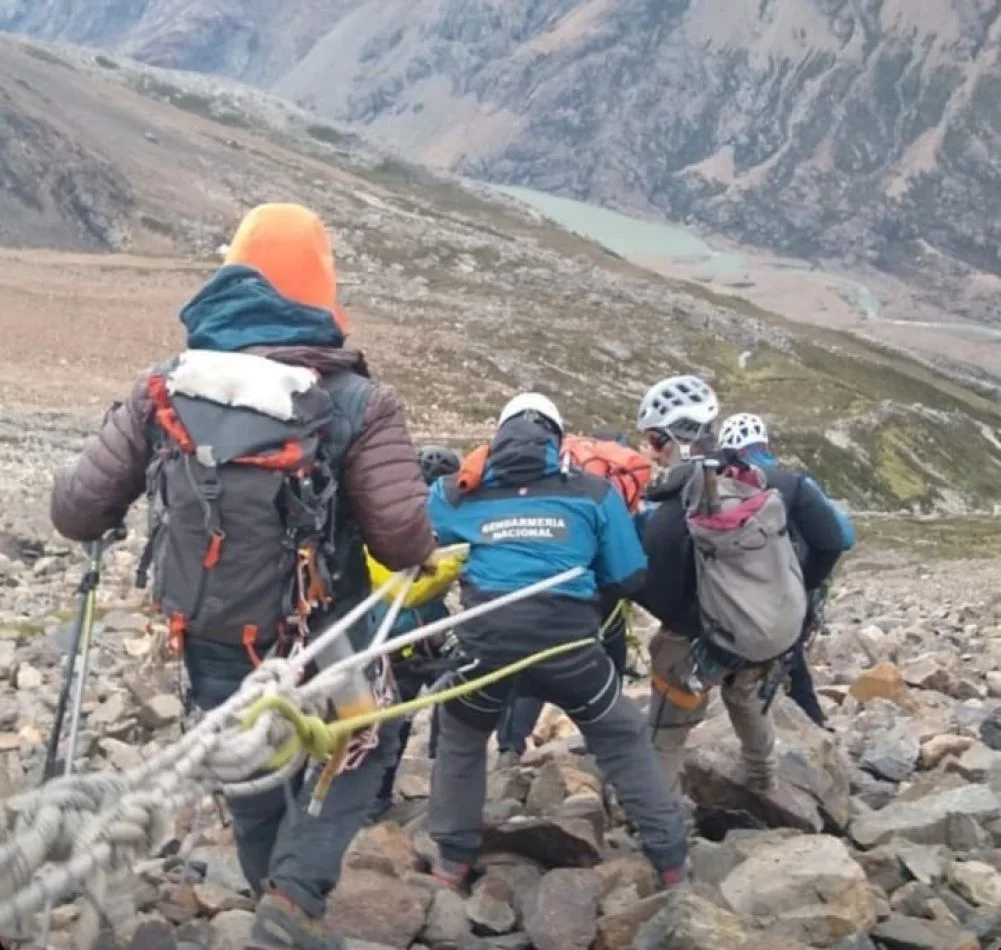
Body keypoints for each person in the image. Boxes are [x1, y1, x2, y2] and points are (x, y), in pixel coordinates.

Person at [49, 202, 437, 950]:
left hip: (214, 627)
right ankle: (293, 898)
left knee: (255, 771)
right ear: (322, 290)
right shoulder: (356, 400)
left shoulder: (164, 388)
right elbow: (400, 538)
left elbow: (75, 512)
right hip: (331, 632)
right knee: (362, 747)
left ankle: (274, 900)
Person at [424, 393, 688, 888]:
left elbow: (419, 553)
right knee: (622, 736)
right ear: (559, 439)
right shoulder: (593, 492)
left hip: (486, 642)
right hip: (567, 646)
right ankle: (670, 860)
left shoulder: (453, 493)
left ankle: (451, 862)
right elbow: (629, 576)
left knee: (461, 735)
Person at [634, 375, 845, 798]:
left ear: (670, 439)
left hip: (705, 643)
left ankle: (661, 824)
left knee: (667, 733)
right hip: (772, 631)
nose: (652, 453)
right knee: (750, 704)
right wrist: (795, 591)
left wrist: (709, 623)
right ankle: (764, 786)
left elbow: (659, 596)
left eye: (654, 442)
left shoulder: (667, 515)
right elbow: (834, 540)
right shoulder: (782, 484)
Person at [495, 426, 647, 765]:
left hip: (549, 588)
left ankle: (510, 746)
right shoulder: (616, 487)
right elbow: (630, 563)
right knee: (606, 657)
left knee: (533, 668)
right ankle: (606, 745)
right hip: (601, 591)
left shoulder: (564, 479)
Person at [717, 412, 854, 726]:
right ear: (763, 443)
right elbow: (842, 536)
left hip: (739, 595)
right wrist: (808, 580)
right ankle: (811, 724)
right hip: (794, 590)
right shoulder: (795, 484)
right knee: (790, 658)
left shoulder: (721, 487)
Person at [367, 444, 462, 821]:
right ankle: (442, 787)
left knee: (395, 721)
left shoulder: (381, 520)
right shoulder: (451, 526)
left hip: (400, 638)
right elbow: (404, 593)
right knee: (443, 712)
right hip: (418, 635)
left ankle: (379, 796)